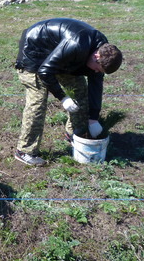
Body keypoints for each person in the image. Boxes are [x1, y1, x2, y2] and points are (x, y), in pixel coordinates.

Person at [14, 18, 122, 166]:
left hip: (61, 56)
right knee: (38, 102)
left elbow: (96, 85)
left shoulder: (103, 49)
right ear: (96, 56)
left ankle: (75, 134)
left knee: (81, 93)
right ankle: (25, 151)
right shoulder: (76, 44)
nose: (97, 72)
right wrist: (63, 98)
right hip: (35, 51)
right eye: (98, 69)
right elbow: (45, 71)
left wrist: (93, 118)